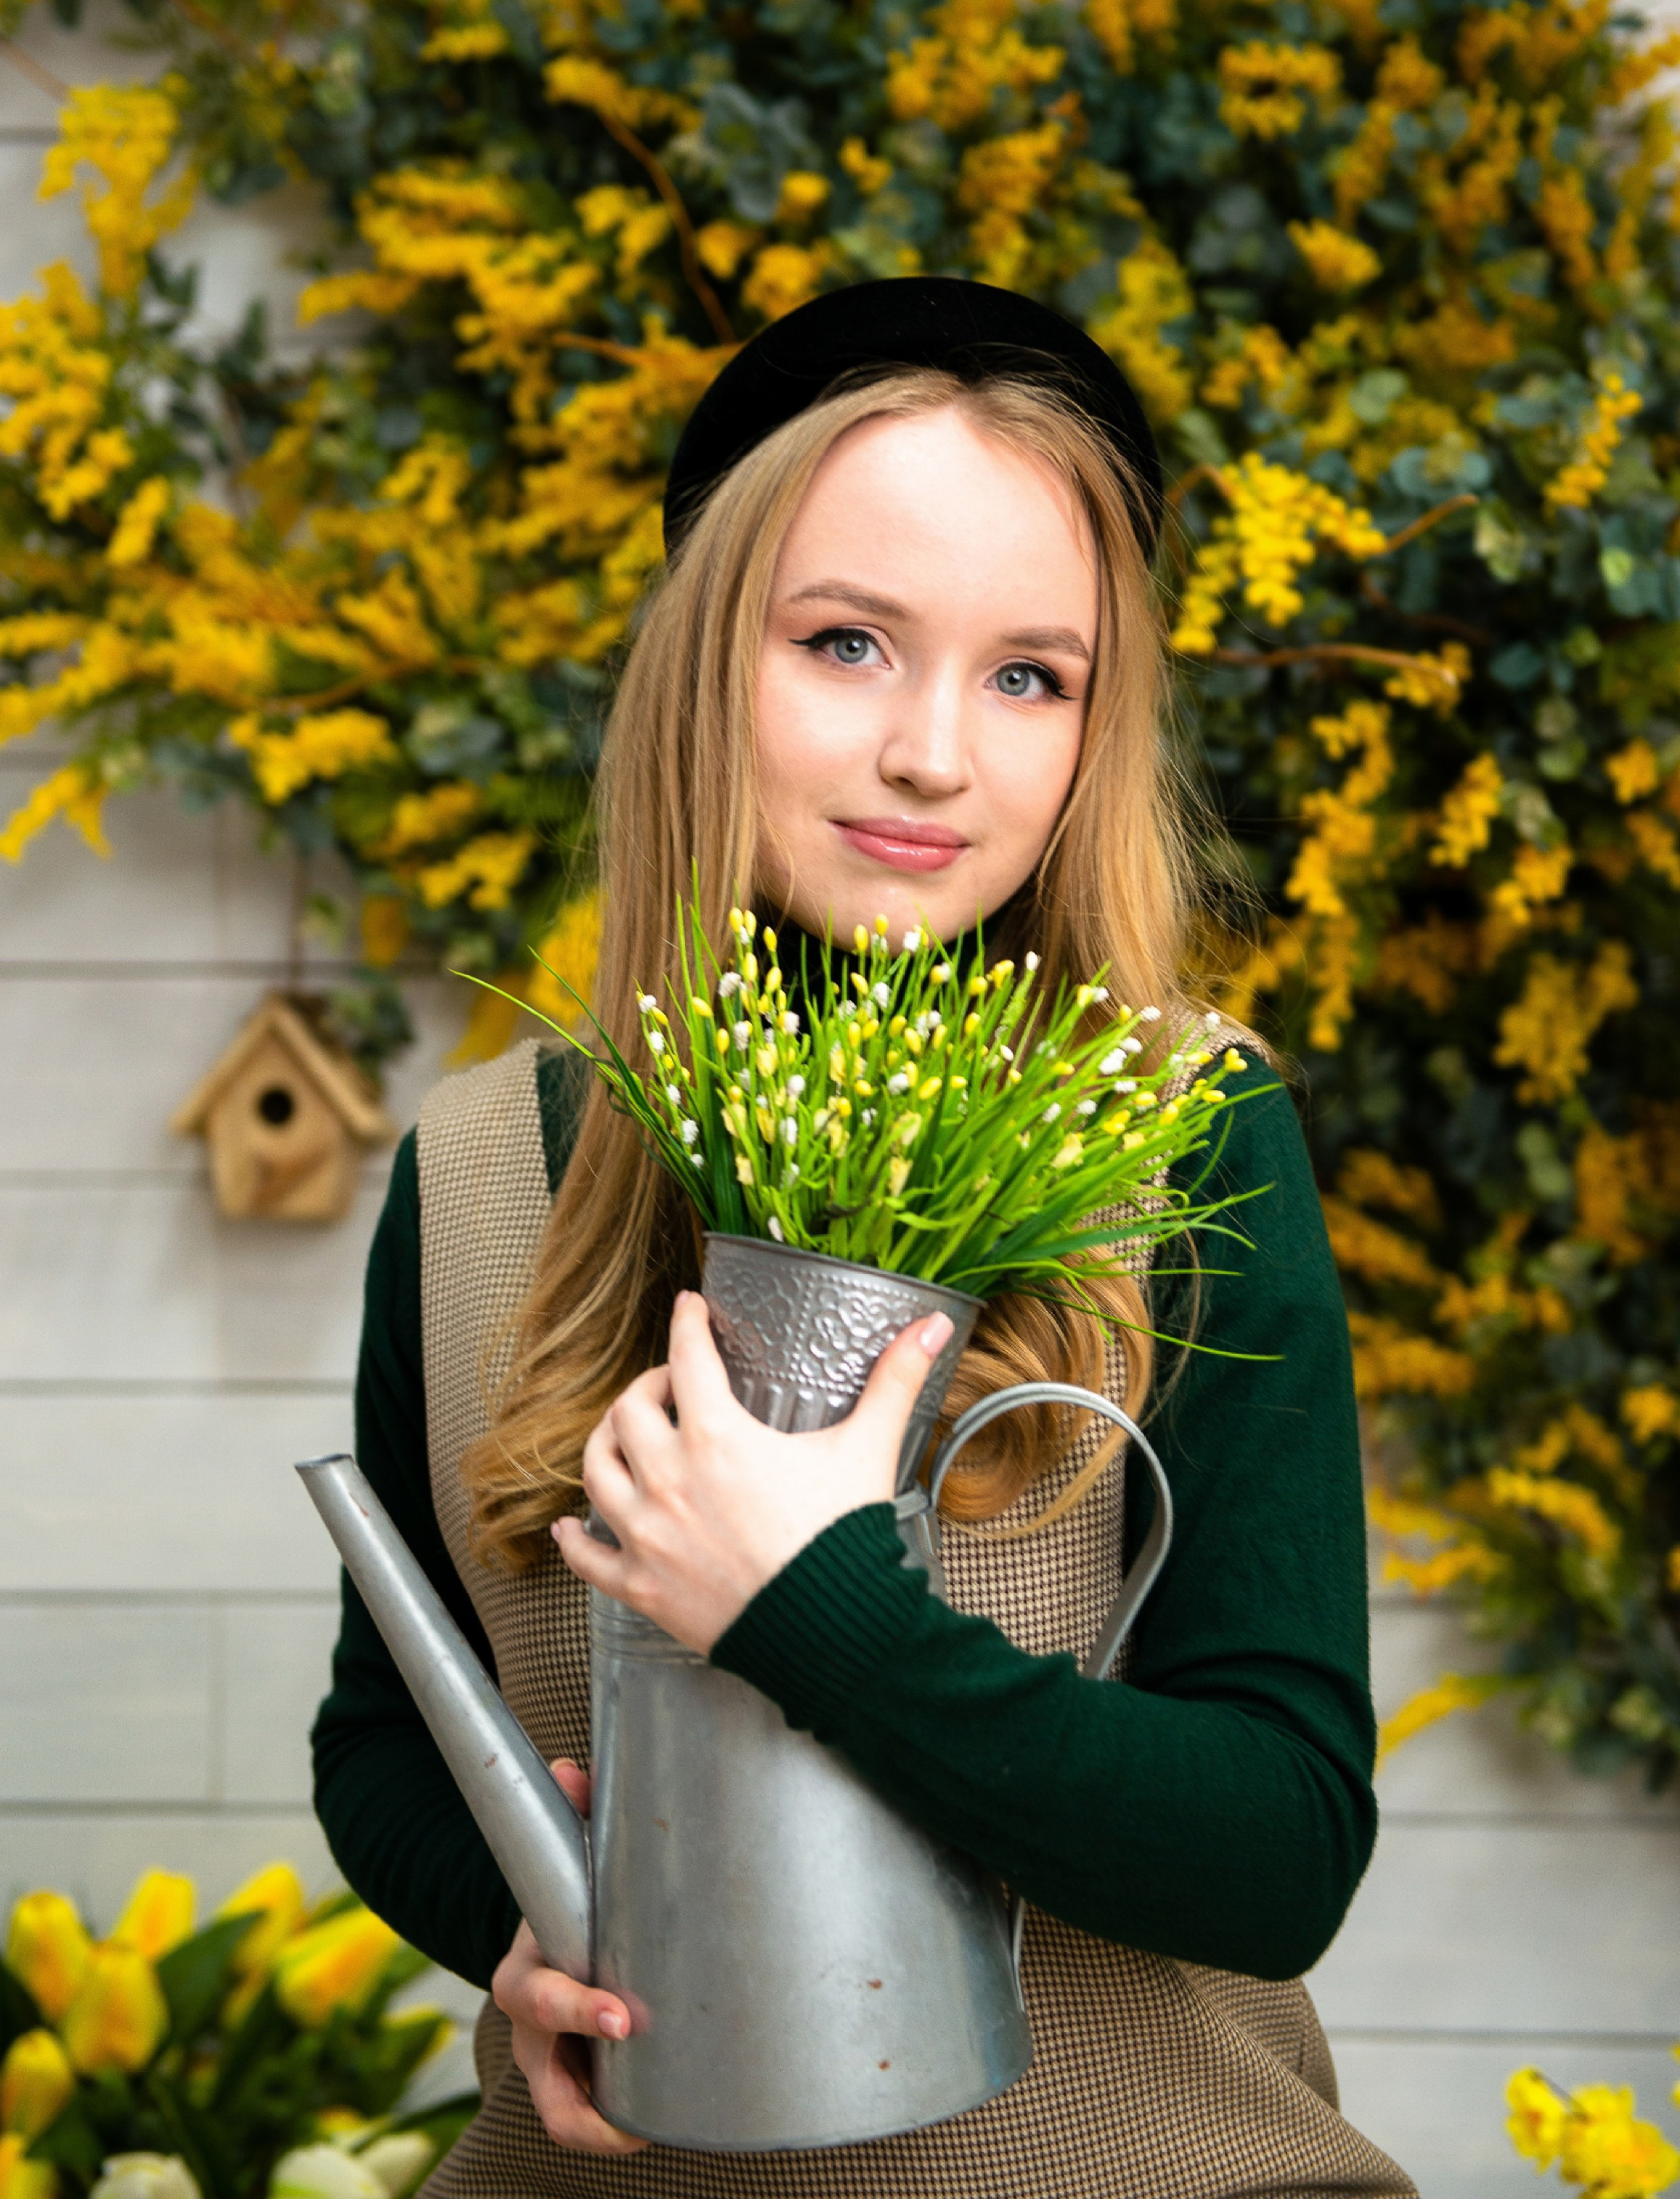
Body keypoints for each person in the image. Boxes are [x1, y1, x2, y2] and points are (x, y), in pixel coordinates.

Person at [312, 277, 1416, 2198]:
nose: (931, 753)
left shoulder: (1188, 1140)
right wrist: (512, 1934)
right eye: (845, 643)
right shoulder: (484, 1170)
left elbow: (1281, 1850)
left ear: (1096, 726)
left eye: (1027, 676)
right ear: (696, 661)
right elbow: (385, 1742)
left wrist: (815, 1610)